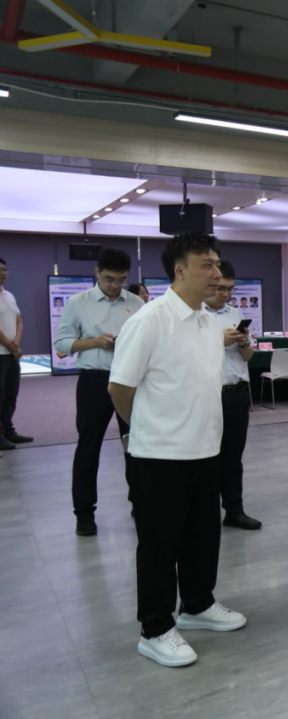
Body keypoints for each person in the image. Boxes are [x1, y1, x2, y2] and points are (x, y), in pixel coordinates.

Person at [108, 232, 246, 668]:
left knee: (203, 535)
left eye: (217, 264)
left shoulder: (207, 322)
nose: (217, 273)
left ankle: (197, 605)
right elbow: (120, 388)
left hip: (205, 450)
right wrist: (148, 430)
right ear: (180, 270)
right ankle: (155, 628)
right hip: (159, 455)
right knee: (159, 544)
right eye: (207, 264)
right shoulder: (150, 320)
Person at [54, 248, 144, 536]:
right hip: (94, 381)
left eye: (121, 279)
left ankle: (140, 503)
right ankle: (84, 513)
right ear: (97, 273)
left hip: (129, 381)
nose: (115, 286)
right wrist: (96, 342)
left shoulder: (137, 303)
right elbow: (62, 343)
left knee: (136, 445)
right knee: (88, 447)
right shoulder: (78, 303)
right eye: (109, 279)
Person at [204, 260, 261, 531]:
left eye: (230, 289)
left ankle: (234, 510)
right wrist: (220, 340)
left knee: (233, 456)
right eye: (221, 288)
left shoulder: (235, 313)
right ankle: (205, 513)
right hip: (209, 394)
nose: (225, 294)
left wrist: (243, 341)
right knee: (207, 456)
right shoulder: (196, 314)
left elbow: (248, 357)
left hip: (237, 393)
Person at [0, 257, 32, 452]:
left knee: (11, 395)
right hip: (1, 354)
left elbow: (19, 320)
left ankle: (8, 431)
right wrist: (11, 346)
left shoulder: (9, 295)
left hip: (11, 353)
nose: (3, 273)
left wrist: (17, 341)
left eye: (4, 269)